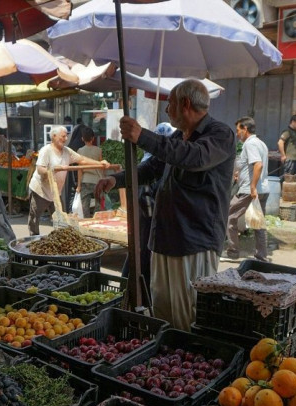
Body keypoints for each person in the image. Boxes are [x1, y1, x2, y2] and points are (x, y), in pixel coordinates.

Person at [95, 79, 236, 331]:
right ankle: (164, 360)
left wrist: (142, 136)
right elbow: (151, 169)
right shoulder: (177, 137)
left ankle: (190, 365)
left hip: (194, 241)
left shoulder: (219, 135)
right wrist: (115, 180)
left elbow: (194, 157)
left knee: (187, 315)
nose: (166, 109)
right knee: (162, 312)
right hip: (164, 238)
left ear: (185, 104)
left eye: (169, 103)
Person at [120, 122, 175, 295]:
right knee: (141, 267)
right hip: (147, 234)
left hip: (146, 235)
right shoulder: (151, 172)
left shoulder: (156, 166)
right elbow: (148, 211)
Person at [27, 126, 110, 235]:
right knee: (35, 217)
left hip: (55, 192)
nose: (66, 138)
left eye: (66, 136)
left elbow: (82, 160)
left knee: (60, 217)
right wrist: (51, 172)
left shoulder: (67, 151)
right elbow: (40, 168)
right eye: (63, 136)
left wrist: (100, 164)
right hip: (40, 190)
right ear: (54, 136)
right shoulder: (46, 150)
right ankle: (34, 239)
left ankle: (60, 240)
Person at [222, 116, 270, 263]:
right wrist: (239, 173)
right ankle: (261, 255)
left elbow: (258, 165)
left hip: (249, 190)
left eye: (238, 130)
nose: (237, 134)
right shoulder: (260, 143)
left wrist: (252, 186)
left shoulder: (250, 144)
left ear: (245, 129)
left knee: (230, 216)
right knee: (258, 222)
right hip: (261, 189)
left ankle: (233, 251)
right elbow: (250, 165)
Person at [76, 127, 104, 217]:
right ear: (93, 138)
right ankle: (96, 221)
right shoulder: (99, 150)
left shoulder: (80, 151)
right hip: (97, 181)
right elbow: (101, 167)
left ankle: (86, 222)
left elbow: (80, 170)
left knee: (85, 206)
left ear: (82, 139)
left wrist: (79, 185)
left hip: (85, 180)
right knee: (99, 204)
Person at [277, 115, 296, 180]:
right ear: (293, 122)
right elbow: (280, 142)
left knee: (295, 180)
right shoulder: (287, 132)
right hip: (289, 160)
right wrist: (283, 155)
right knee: (287, 179)